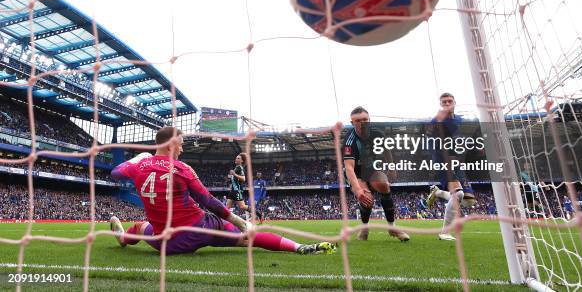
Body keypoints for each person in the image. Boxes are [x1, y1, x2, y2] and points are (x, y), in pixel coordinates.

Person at [109, 127, 335, 255]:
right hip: (200, 230)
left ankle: (122, 238)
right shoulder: (181, 168)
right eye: (180, 144)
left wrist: (140, 157)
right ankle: (299, 247)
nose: (182, 148)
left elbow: (116, 173)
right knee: (249, 237)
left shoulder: (138, 166)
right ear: (170, 145)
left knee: (140, 227)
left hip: (165, 243)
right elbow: (208, 201)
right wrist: (240, 222)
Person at [342, 106, 410, 242]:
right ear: (352, 123)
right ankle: (364, 229)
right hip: (356, 173)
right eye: (357, 120)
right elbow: (349, 168)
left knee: (384, 185)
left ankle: (392, 228)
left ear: (369, 120)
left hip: (371, 169)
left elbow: (386, 150)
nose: (362, 122)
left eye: (364, 119)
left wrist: (392, 168)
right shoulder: (349, 141)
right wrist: (358, 190)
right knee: (367, 197)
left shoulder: (378, 133)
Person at [425, 93, 476, 241]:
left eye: (449, 101)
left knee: (469, 201)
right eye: (444, 101)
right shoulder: (437, 120)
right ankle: (444, 232)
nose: (447, 103)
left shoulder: (460, 120)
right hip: (444, 161)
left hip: (457, 162)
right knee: (458, 195)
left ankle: (438, 192)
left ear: (455, 102)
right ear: (440, 104)